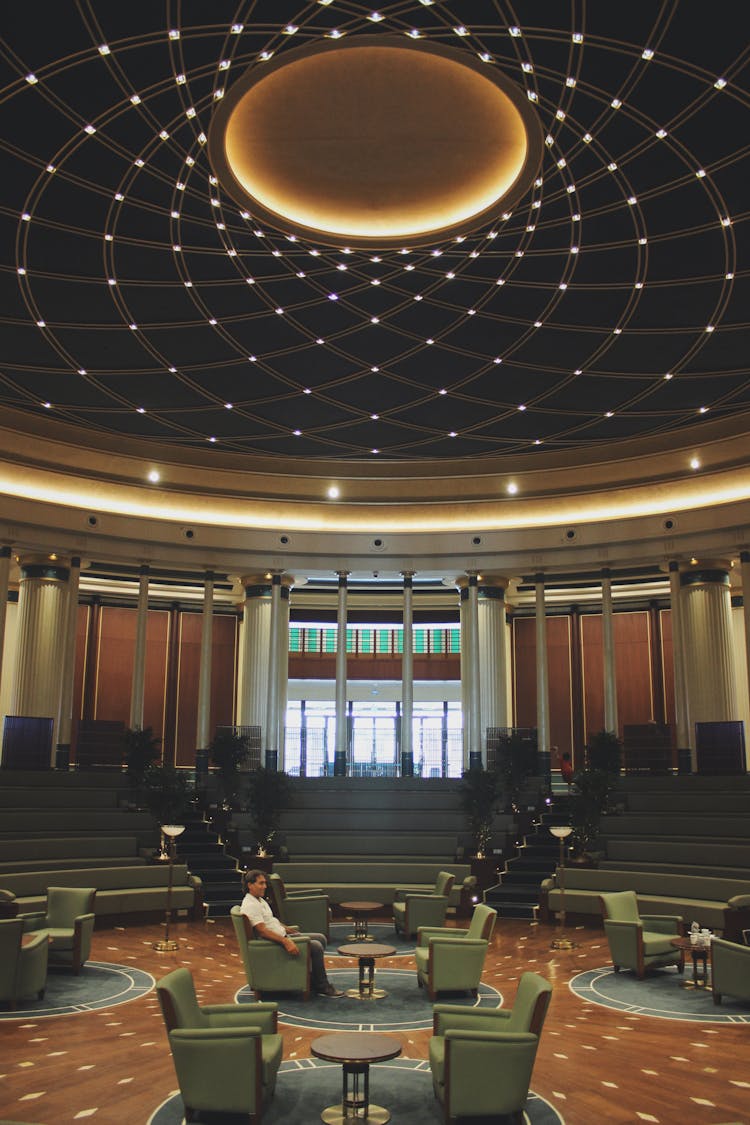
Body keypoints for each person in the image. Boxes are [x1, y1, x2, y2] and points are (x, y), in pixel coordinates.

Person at [239, 869, 343, 997]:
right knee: (316, 946)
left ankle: (312, 980)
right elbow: (262, 931)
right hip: (273, 943)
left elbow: (270, 921)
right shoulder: (251, 905)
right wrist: (285, 941)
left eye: (265, 883)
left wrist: (286, 928)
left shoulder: (259, 900)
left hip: (281, 935)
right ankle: (322, 986)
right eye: (261, 883)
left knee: (320, 938)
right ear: (250, 885)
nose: (265, 886)